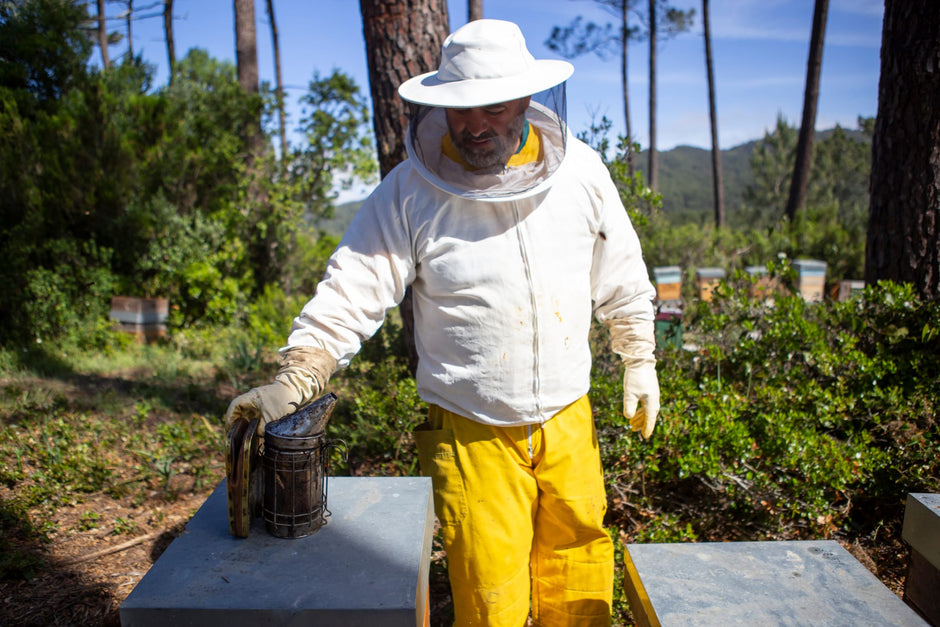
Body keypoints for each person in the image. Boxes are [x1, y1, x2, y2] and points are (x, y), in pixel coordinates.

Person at [225, 19, 660, 627]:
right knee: (490, 592)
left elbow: (622, 271)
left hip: (569, 414)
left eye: (495, 107)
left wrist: (638, 356)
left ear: (529, 101)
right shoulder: (409, 192)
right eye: (461, 111)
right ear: (441, 108)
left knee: (580, 569)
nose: (476, 125)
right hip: (469, 425)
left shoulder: (582, 173)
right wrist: (297, 378)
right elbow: (352, 287)